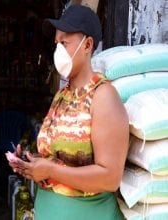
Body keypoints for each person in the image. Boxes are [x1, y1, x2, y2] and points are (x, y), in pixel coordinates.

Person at [9, 5, 129, 220]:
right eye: (56, 43)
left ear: (88, 45)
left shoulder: (103, 96)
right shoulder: (61, 96)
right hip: (49, 209)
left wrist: (50, 171)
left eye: (64, 43)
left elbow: (110, 177)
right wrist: (31, 163)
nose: (58, 50)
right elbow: (59, 159)